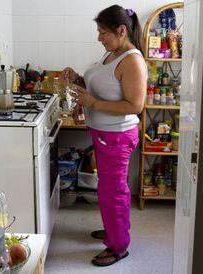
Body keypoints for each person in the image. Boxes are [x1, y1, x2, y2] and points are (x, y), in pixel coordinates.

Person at [62, 5, 147, 267]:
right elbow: (104, 87)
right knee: (108, 190)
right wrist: (77, 79)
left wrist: (93, 103)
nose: (99, 37)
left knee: (113, 192)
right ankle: (114, 231)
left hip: (117, 136)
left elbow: (135, 105)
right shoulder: (111, 54)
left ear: (122, 31)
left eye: (103, 32)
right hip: (104, 134)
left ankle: (119, 246)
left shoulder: (131, 60)